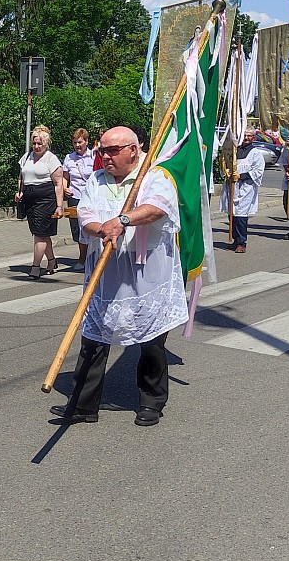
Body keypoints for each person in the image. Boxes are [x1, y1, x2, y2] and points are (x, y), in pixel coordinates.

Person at [49, 126, 187, 427]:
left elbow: (158, 208)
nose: (105, 156)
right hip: (106, 272)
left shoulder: (154, 175)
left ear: (133, 150)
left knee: (151, 339)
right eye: (102, 151)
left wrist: (123, 220)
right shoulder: (97, 180)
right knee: (93, 337)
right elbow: (85, 214)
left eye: (112, 151)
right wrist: (100, 229)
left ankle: (151, 401)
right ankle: (83, 405)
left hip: (146, 274)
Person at [14, 125, 64, 278]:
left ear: (46, 144)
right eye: (34, 143)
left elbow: (58, 184)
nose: (36, 146)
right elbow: (21, 176)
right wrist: (20, 192)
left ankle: (35, 267)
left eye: (40, 143)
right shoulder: (27, 157)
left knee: (39, 234)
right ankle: (52, 261)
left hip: (46, 200)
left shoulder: (51, 159)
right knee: (41, 234)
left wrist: (59, 206)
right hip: (29, 199)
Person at [220, 127, 265, 253]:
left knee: (240, 215)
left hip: (245, 188)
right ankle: (235, 239)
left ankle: (241, 242)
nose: (246, 138)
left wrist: (241, 176)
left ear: (253, 137)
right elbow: (225, 164)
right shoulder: (234, 150)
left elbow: (258, 171)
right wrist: (227, 173)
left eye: (249, 136)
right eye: (245, 135)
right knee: (232, 214)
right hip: (232, 186)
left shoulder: (255, 153)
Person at [61, 128, 96, 271]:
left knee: (89, 228)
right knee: (77, 230)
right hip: (74, 198)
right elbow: (65, 177)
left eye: (80, 142)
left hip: (90, 198)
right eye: (75, 142)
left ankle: (86, 259)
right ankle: (83, 257)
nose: (77, 145)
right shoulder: (69, 158)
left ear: (86, 141)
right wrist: (65, 188)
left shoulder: (94, 156)